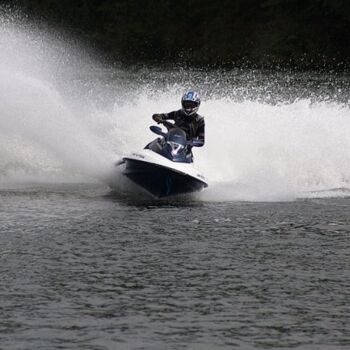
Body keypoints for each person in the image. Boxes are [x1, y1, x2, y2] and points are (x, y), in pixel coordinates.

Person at [152, 90, 205, 158]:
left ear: (197, 105)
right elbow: (161, 115)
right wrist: (158, 118)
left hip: (185, 150)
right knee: (157, 142)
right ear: (182, 103)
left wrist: (191, 142)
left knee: (190, 157)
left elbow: (201, 141)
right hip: (168, 142)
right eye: (186, 105)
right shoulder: (177, 113)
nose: (188, 108)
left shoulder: (200, 120)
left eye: (191, 105)